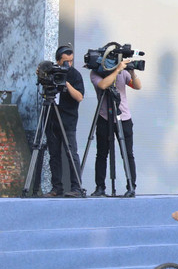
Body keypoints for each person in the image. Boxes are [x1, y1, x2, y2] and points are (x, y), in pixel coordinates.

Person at [90, 53, 142, 197]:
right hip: (104, 117)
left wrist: (132, 72)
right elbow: (103, 85)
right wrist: (117, 70)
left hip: (123, 117)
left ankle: (131, 186)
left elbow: (138, 86)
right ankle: (100, 187)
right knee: (101, 154)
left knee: (128, 154)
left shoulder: (123, 72)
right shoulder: (95, 72)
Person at [46, 44, 86, 198]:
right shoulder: (52, 72)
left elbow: (79, 97)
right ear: (58, 60)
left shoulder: (75, 75)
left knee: (71, 153)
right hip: (51, 119)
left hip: (68, 120)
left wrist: (66, 83)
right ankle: (57, 188)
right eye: (65, 61)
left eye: (71, 61)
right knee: (54, 155)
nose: (68, 64)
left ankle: (76, 187)